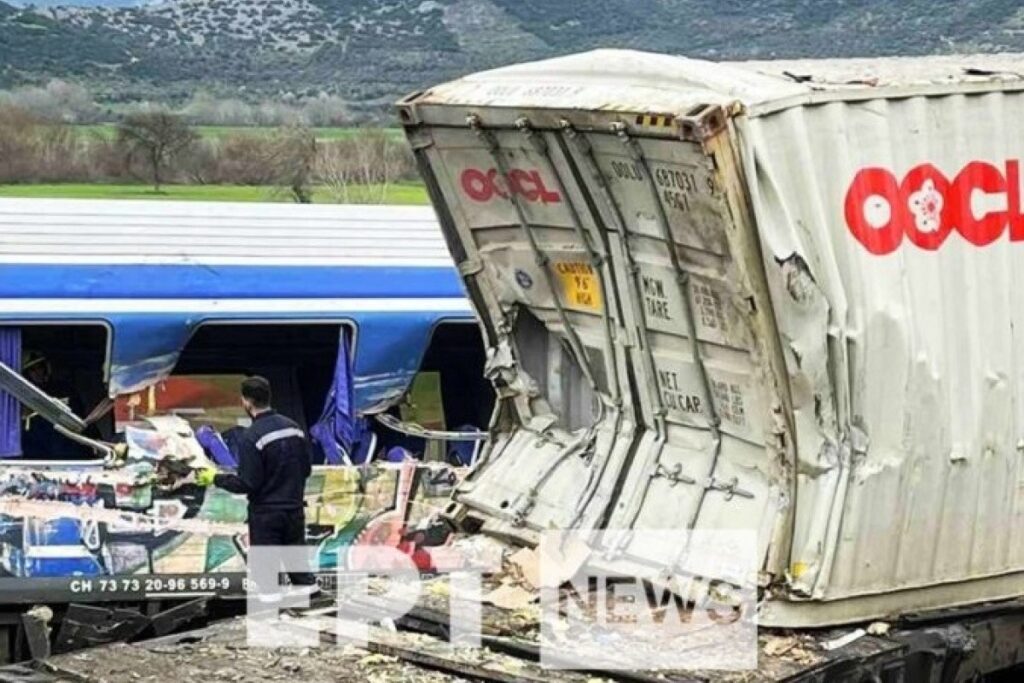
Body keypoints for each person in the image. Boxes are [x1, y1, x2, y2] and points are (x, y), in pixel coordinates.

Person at [196, 376, 318, 596]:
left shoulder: (251, 437)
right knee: (301, 574)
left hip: (266, 515)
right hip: (294, 510)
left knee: (268, 584)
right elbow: (306, 469)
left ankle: (272, 622)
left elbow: (247, 483)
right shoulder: (294, 429)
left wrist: (215, 478)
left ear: (247, 402)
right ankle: (310, 609)